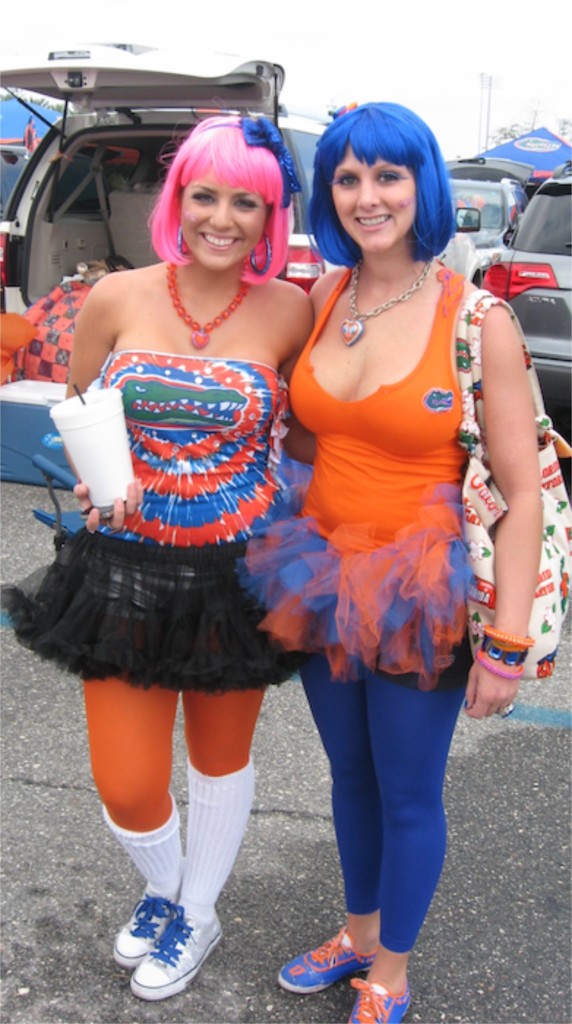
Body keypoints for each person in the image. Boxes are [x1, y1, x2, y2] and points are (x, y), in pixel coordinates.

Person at [241, 102, 542, 1024]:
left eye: (388, 175)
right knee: (348, 777)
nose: (368, 197)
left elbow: (524, 488)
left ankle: (393, 973)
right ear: (328, 192)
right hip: (322, 575)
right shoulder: (324, 297)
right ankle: (358, 932)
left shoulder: (478, 317)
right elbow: (294, 442)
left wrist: (508, 639)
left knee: (409, 789)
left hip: (425, 589)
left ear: (424, 185)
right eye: (347, 178)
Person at [3, 115, 312, 1003]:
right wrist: (103, 477)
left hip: (238, 571)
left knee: (220, 761)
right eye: (204, 195)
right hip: (123, 567)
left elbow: (312, 433)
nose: (222, 217)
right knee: (128, 781)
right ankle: (170, 888)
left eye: (245, 201)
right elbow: (80, 406)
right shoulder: (118, 297)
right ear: (177, 200)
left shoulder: (292, 308)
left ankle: (198, 912)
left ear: (268, 215)